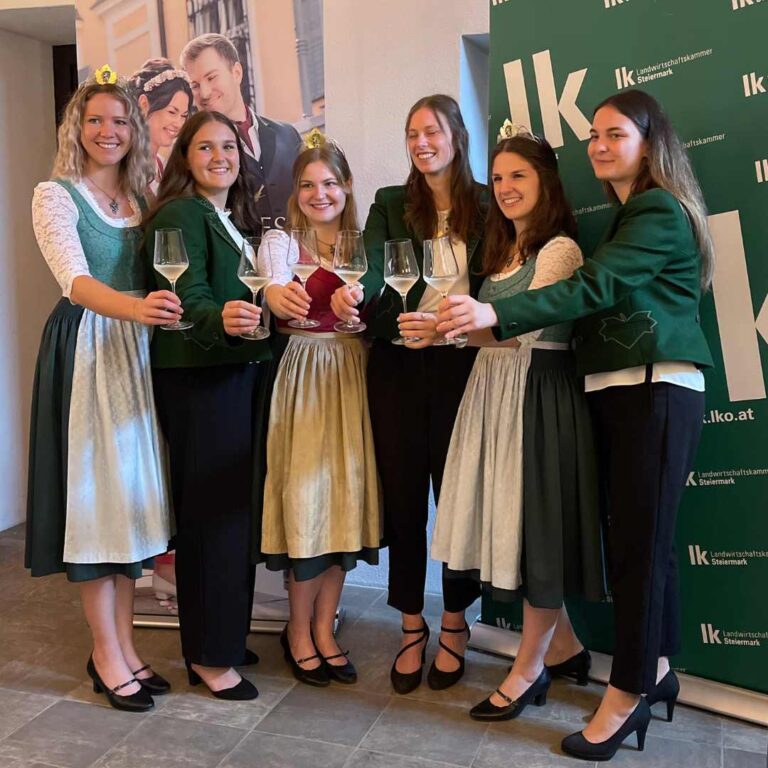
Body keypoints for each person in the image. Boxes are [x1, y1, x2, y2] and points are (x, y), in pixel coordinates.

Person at [437, 89, 713, 761]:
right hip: (628, 393)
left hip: (656, 389)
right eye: (593, 134)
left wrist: (495, 315)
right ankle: (654, 669)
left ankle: (625, 698)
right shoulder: (629, 215)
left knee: (639, 554)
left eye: (615, 134)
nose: (598, 145)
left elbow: (593, 290)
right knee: (648, 547)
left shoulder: (654, 209)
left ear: (650, 144)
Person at [430, 128, 604, 721]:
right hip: (493, 391)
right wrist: (439, 332)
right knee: (514, 522)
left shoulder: (558, 250)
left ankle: (528, 670)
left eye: (518, 177)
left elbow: (526, 326)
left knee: (536, 532)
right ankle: (566, 649)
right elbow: (486, 331)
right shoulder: (503, 249)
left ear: (545, 182)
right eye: (498, 178)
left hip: (537, 393)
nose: (504, 189)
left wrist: (466, 327)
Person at [26, 66, 180, 712]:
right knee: (94, 508)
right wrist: (138, 308)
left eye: (120, 121)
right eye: (96, 120)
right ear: (77, 128)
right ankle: (105, 651)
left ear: (134, 129)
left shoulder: (145, 198)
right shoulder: (55, 196)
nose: (108, 131)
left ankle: (124, 646)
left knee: (129, 508)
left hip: (136, 355)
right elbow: (75, 282)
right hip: (88, 350)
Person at [331, 94, 485, 694]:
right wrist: (353, 294)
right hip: (399, 365)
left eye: (432, 132)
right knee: (404, 498)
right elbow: (373, 267)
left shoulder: (485, 206)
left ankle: (455, 623)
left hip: (461, 368)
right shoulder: (392, 204)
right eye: (412, 133)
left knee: (457, 500)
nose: (421, 143)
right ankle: (411, 624)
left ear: (455, 137)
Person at [223, 135, 381, 687]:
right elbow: (270, 302)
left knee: (344, 500)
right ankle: (298, 631)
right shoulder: (281, 244)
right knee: (306, 500)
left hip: (352, 376)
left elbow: (382, 308)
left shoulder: (366, 246)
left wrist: (363, 317)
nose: (320, 194)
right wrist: (274, 296)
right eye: (309, 184)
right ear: (296, 191)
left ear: (347, 187)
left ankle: (325, 629)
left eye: (330, 183)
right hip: (302, 376)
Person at [143, 109, 268, 701]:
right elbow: (183, 292)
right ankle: (208, 656)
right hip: (198, 378)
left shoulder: (231, 217)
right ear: (184, 158)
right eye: (205, 147)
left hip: (233, 374)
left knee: (233, 513)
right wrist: (219, 317)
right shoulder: (180, 212)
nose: (220, 156)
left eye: (229, 146)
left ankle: (223, 635)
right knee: (212, 517)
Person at [181, 33, 302, 229]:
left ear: (236, 72)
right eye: (195, 85)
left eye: (211, 77)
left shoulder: (288, 135)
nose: (203, 93)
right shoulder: (192, 152)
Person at [128, 58, 193, 195]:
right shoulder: (125, 163)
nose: (178, 124)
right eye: (172, 112)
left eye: (183, 115)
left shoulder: (163, 166)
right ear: (144, 105)